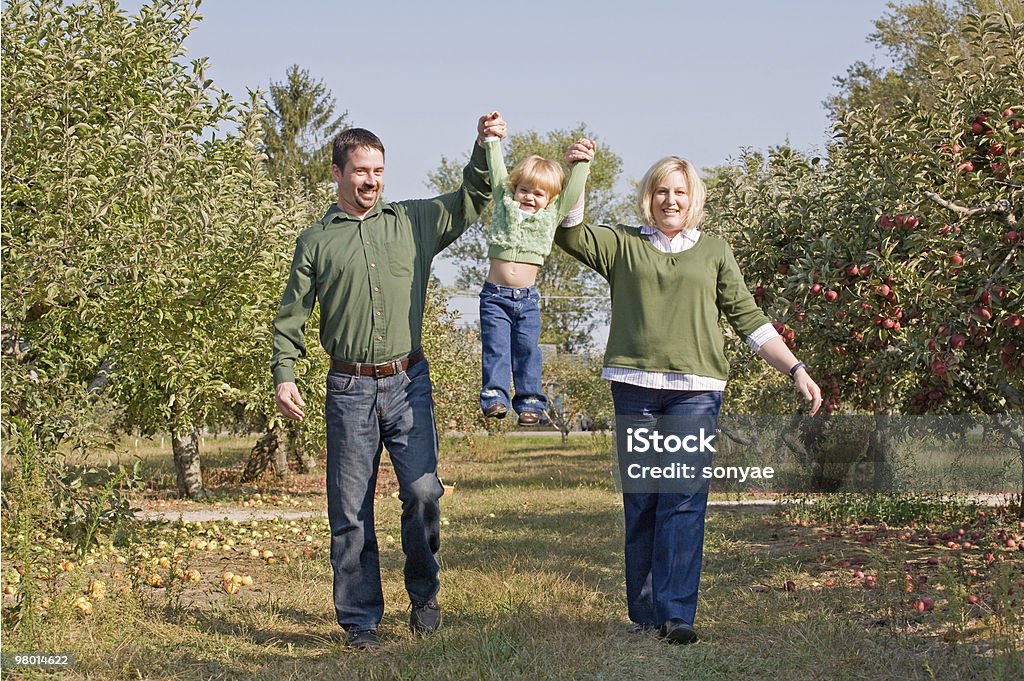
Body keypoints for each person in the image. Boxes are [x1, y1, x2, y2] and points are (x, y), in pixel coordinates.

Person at [554, 151, 822, 644]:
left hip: (696, 392)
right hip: (634, 388)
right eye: (661, 191)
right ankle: (646, 612)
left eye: (679, 191)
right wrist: (579, 170)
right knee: (643, 502)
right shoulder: (622, 244)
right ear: (648, 198)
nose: (670, 199)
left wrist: (795, 368)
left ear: (693, 198)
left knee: (682, 499)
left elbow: (748, 318)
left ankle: (677, 614)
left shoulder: (714, 250)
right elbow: (568, 231)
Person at [270, 113, 506, 650]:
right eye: (360, 171)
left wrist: (483, 146)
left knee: (423, 491)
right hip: (349, 389)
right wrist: (285, 374)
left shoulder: (413, 222)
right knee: (351, 507)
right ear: (337, 173)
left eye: (378, 170)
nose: (371, 181)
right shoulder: (315, 243)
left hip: (408, 381)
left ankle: (424, 595)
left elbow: (471, 196)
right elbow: (291, 316)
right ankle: (360, 620)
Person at [477, 119, 593, 425]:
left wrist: (582, 162)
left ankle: (530, 402)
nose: (530, 197)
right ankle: (494, 397)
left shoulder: (552, 214)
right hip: (494, 296)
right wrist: (492, 141)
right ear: (515, 190)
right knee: (496, 348)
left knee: (528, 350)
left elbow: (573, 191)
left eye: (538, 194)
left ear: (550, 200)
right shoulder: (505, 203)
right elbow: (497, 170)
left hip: (527, 299)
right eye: (525, 190)